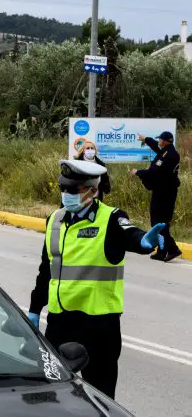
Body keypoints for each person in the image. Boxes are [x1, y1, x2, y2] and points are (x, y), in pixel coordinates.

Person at [28, 160, 165, 400]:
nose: (66, 195)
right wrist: (34, 309)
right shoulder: (55, 221)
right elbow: (46, 270)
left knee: (99, 398)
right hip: (60, 323)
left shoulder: (111, 219)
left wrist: (144, 242)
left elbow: (129, 234)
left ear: (92, 190)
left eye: (73, 190)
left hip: (99, 326)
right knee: (50, 393)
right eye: (63, 188)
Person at [131, 131, 182, 262]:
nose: (158, 141)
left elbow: (154, 172)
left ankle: (172, 249)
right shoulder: (166, 151)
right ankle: (162, 250)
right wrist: (145, 139)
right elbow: (155, 146)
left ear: (165, 141)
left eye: (160, 139)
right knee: (158, 221)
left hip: (165, 193)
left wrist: (138, 172)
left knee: (159, 222)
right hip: (162, 191)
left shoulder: (169, 156)